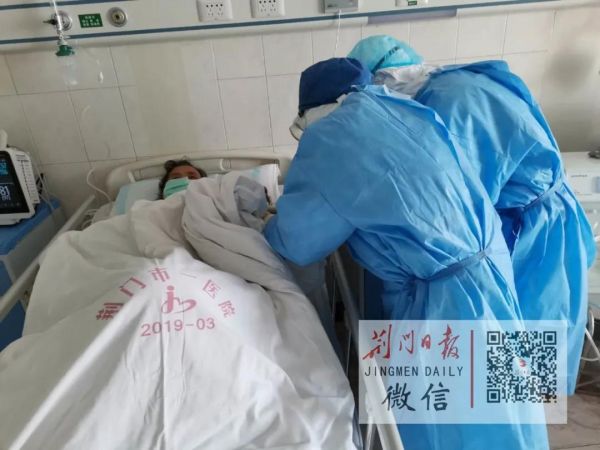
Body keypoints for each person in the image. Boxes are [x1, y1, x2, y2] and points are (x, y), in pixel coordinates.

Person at [264, 57, 549, 450]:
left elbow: (298, 241)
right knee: (502, 396)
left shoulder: (328, 138)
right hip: (489, 259)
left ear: (310, 111)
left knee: (444, 419)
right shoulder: (402, 107)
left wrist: (269, 223)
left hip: (443, 296)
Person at [348, 35, 596, 394]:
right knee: (516, 348)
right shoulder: (456, 83)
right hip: (532, 216)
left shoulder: (448, 107)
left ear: (384, 80)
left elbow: (453, 203)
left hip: (532, 232)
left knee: (521, 347)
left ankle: (519, 414)